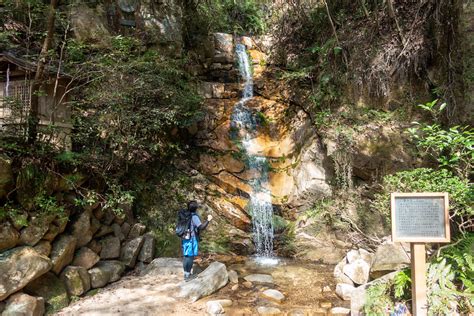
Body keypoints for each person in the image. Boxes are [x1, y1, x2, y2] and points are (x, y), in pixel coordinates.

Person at [182, 200, 212, 281]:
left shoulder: (185, 215)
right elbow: (201, 227)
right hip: (191, 239)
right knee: (190, 257)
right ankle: (188, 276)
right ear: (196, 208)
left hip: (185, 238)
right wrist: (208, 220)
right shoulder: (194, 217)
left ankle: (186, 273)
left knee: (186, 256)